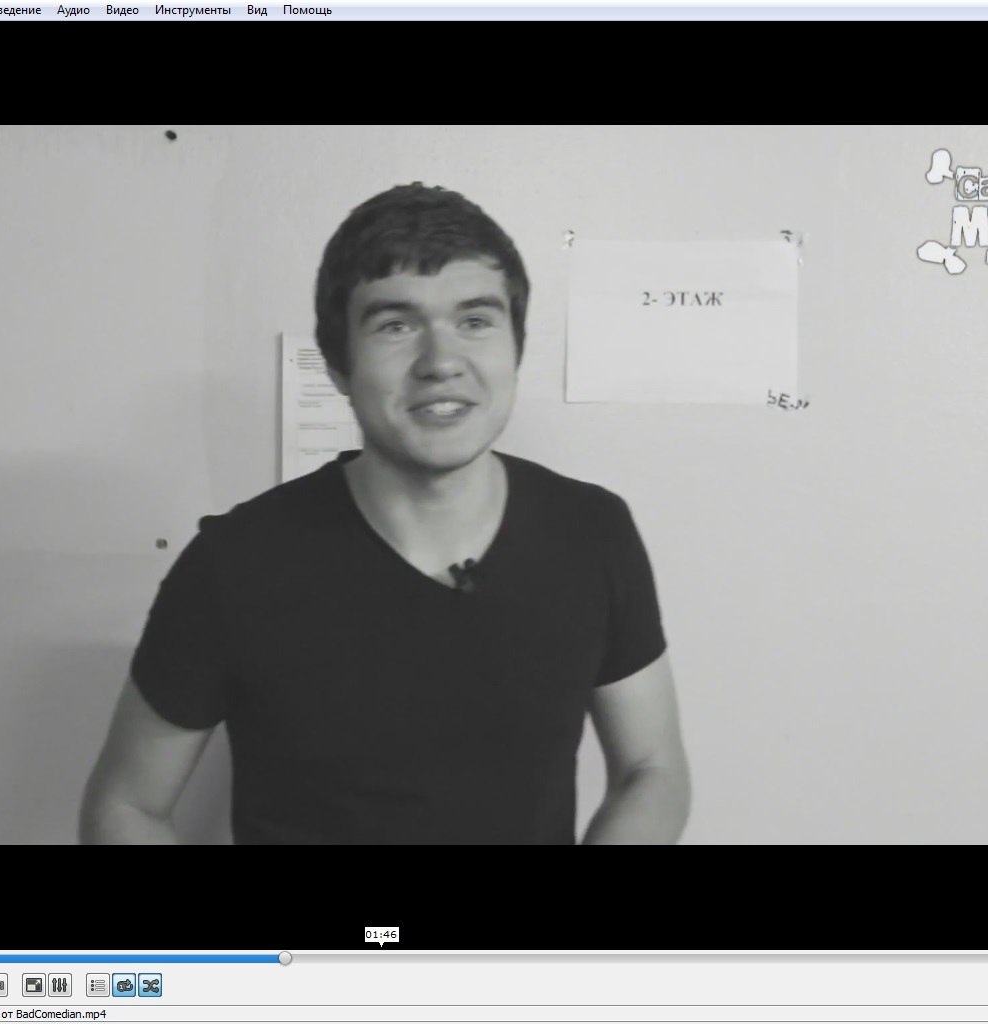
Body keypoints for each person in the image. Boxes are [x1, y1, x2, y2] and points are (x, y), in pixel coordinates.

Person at [80, 183, 690, 844]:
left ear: (516, 346)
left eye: (475, 320)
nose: (442, 362)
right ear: (338, 365)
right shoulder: (234, 565)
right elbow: (128, 805)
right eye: (396, 325)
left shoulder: (592, 533)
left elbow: (652, 769)